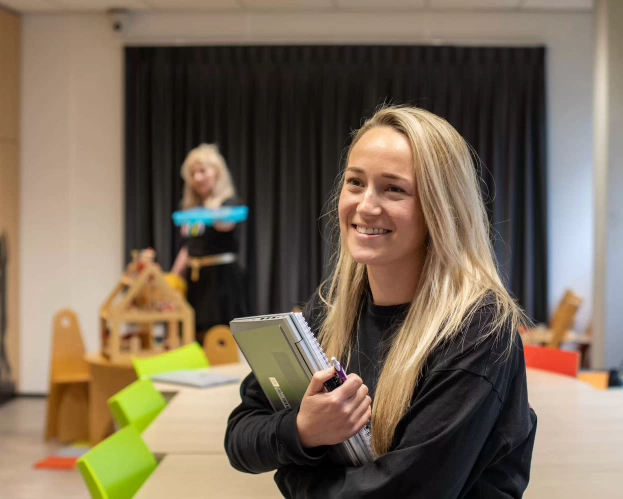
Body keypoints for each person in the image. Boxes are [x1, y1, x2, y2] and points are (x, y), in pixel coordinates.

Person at [224, 106, 537, 498]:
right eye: (356, 182)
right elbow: (240, 437)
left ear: (440, 209)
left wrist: (294, 476)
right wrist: (303, 430)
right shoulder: (330, 310)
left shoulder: (479, 332)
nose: (366, 206)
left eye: (394, 189)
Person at [171, 144, 248, 345]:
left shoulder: (228, 203)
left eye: (202, 171)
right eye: (193, 173)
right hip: (197, 280)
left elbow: (226, 224)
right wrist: (172, 279)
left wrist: (201, 215)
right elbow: (188, 248)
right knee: (195, 335)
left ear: (217, 173)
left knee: (221, 338)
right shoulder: (190, 209)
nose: (197, 178)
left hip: (222, 281)